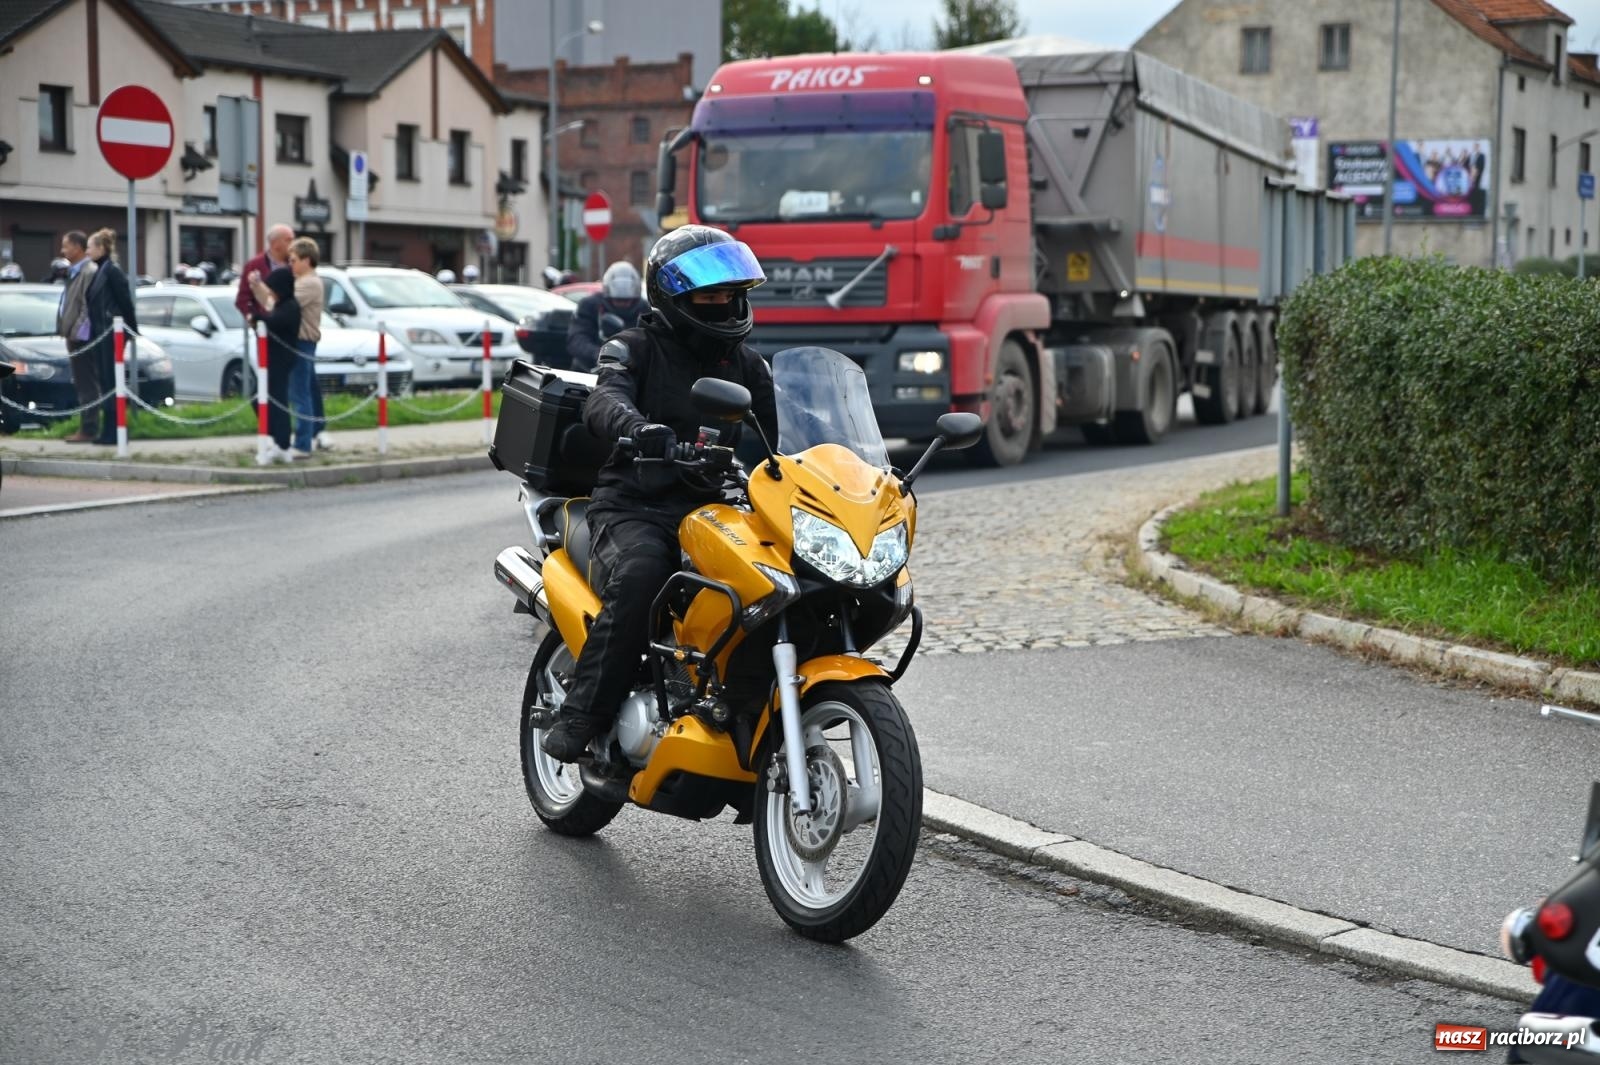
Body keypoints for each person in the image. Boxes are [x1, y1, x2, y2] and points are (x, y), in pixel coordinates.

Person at [540, 225, 779, 762]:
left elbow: (779, 446)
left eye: (730, 295)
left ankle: (742, 703)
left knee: (778, 584)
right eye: (708, 296)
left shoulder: (750, 366)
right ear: (674, 297)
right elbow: (603, 400)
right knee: (646, 573)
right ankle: (583, 715)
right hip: (635, 505)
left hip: (717, 510)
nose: (722, 306)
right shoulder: (633, 348)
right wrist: (635, 426)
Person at [251, 237, 324, 458]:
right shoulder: (301, 282)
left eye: (293, 260)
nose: (290, 265)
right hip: (297, 342)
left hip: (302, 341)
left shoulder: (309, 283)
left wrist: (261, 288)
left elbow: (276, 304)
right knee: (303, 391)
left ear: (307, 260)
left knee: (300, 393)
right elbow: (274, 300)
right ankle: (309, 435)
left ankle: (303, 443)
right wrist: (258, 287)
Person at [82, 228, 138, 446]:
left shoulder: (111, 271)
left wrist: (131, 329)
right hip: (102, 333)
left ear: (101, 248)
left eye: (89, 247)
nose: (87, 252)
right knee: (105, 381)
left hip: (110, 333)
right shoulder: (101, 270)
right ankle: (109, 429)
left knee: (111, 380)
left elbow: (125, 301)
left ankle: (114, 431)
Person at [248, 266, 299, 463]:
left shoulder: (290, 307)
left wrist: (258, 318)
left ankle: (283, 444)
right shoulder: (281, 306)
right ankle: (276, 438)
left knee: (278, 402)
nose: (270, 292)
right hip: (271, 360)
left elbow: (274, 322)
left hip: (281, 361)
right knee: (260, 400)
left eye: (273, 289)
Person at [54, 231, 100, 444]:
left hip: (82, 337)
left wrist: (78, 333)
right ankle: (87, 425)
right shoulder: (74, 271)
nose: (63, 251)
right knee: (82, 382)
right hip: (73, 334)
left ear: (78, 247)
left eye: (67, 246)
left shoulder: (88, 270)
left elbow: (85, 306)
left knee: (86, 382)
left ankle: (89, 428)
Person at [565, 261, 648, 373]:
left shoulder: (645, 309)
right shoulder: (590, 305)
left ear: (635, 298)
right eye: (618, 300)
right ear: (608, 295)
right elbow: (577, 339)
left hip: (634, 371)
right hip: (589, 370)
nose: (623, 304)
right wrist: (601, 355)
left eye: (627, 300)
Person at [236, 224, 294, 323]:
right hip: (265, 327)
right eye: (288, 240)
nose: (293, 244)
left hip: (292, 327)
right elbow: (243, 299)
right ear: (275, 243)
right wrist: (253, 317)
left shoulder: (296, 264)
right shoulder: (254, 265)